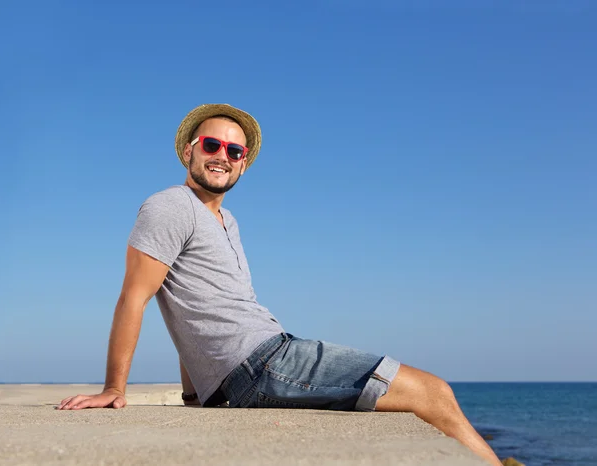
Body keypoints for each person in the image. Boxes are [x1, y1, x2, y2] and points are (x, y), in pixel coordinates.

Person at [57, 104, 501, 465]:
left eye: (235, 152)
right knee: (434, 392)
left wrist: (195, 390)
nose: (222, 157)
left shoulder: (226, 220)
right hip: (262, 363)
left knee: (428, 392)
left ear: (243, 165)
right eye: (212, 145)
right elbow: (135, 297)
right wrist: (115, 389)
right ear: (188, 152)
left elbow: (196, 306)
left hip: (263, 359)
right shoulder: (171, 206)